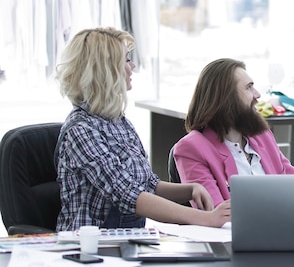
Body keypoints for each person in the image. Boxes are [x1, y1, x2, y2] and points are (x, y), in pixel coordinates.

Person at [54, 27, 230, 231]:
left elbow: (147, 185)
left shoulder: (119, 122)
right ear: (105, 70)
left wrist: (189, 190)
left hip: (125, 238)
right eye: (126, 60)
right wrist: (206, 218)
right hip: (91, 246)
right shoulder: (80, 130)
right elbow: (129, 195)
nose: (133, 66)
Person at [173, 58, 294, 206]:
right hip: (237, 229)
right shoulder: (191, 148)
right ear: (225, 98)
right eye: (248, 87)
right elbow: (214, 214)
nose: (257, 94)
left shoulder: (262, 136)